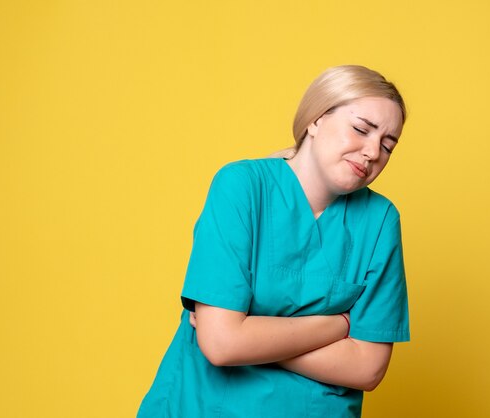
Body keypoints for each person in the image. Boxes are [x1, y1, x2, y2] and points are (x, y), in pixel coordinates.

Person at [137, 65, 410, 418]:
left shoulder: (380, 221)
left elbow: (367, 369)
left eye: (388, 145)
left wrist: (248, 335)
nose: (373, 152)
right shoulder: (241, 187)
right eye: (361, 129)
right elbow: (220, 346)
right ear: (315, 119)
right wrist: (337, 325)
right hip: (205, 406)